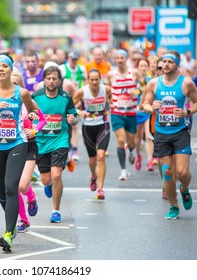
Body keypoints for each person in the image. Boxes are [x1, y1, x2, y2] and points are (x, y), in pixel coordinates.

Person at [0, 53, 39, 252]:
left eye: (5, 66)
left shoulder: (22, 93)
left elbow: (35, 111)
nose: (1, 69)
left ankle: (8, 233)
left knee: (12, 187)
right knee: (2, 193)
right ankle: (12, 223)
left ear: (11, 69)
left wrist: (33, 116)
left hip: (17, 144)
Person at [143, 50, 197, 219]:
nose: (166, 65)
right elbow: (145, 105)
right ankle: (173, 205)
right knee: (167, 171)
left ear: (177, 65)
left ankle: (184, 189)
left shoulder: (186, 83)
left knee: (182, 172)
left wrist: (187, 112)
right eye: (164, 62)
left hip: (180, 132)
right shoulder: (154, 83)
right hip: (161, 132)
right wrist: (151, 107)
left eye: (170, 62)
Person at [32, 66, 78, 223]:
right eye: (48, 78)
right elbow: (28, 115)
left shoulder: (65, 97)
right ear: (44, 80)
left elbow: (74, 116)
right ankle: (48, 184)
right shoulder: (36, 96)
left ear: (59, 80)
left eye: (54, 79)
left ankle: (56, 211)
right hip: (41, 142)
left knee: (57, 175)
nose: (51, 81)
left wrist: (73, 120)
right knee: (46, 180)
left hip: (60, 140)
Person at [11, 71, 46, 232]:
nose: (13, 87)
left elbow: (43, 120)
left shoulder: (28, 101)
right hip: (11, 145)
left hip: (29, 145)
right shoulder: (3, 102)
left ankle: (31, 196)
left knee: (23, 185)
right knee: (14, 187)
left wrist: (35, 131)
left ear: (22, 86)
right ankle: (23, 220)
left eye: (16, 84)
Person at [73, 69, 112, 199]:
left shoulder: (106, 90)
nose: (94, 82)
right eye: (92, 79)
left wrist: (110, 105)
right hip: (88, 127)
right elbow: (70, 106)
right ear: (88, 80)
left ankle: (100, 189)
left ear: (100, 79)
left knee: (101, 156)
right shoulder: (82, 92)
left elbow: (111, 100)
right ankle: (93, 176)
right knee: (92, 159)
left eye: (97, 79)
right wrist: (79, 112)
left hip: (103, 125)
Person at [106, 49, 143, 180]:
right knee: (121, 140)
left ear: (126, 58)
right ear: (115, 60)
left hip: (131, 111)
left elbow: (145, 87)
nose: (120, 60)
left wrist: (137, 91)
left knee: (131, 141)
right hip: (117, 111)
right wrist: (109, 102)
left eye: (122, 58)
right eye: (118, 58)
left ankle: (132, 151)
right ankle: (123, 170)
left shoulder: (134, 72)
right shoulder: (111, 74)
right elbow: (107, 90)